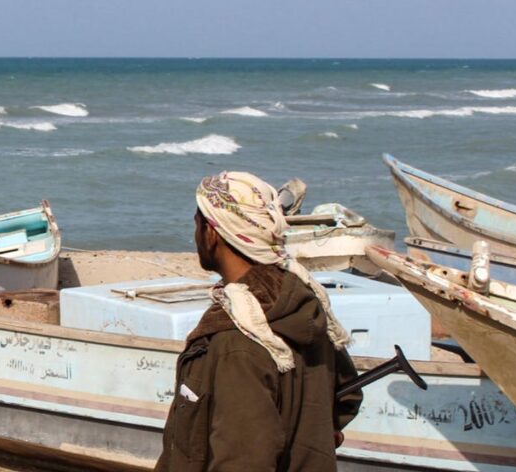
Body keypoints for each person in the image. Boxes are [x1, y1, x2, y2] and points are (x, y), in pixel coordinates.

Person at [155, 171, 362, 472]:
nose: (196, 235)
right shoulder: (303, 303)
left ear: (212, 234)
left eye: (198, 224)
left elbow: (242, 461)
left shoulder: (236, 340)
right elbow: (348, 394)